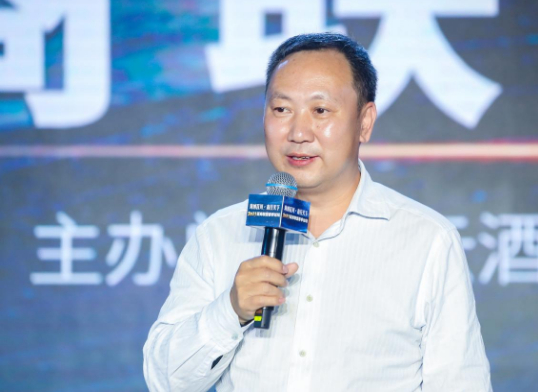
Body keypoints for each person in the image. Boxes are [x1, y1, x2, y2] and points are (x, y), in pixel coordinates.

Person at [143, 32, 492, 391]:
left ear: (365, 122)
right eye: (282, 110)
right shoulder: (220, 234)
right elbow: (164, 380)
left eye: (320, 110)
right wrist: (230, 310)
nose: (298, 132)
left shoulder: (427, 240)